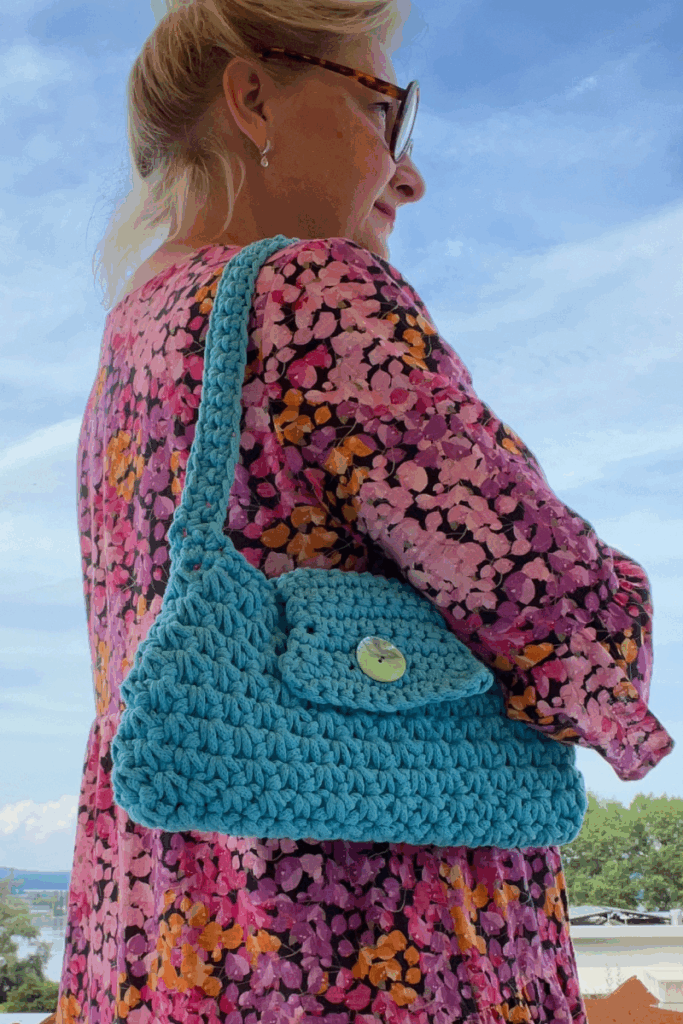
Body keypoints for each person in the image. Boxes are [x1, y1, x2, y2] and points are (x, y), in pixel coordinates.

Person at [55, 0, 675, 1021]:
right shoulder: (311, 293)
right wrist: (624, 610)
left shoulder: (133, 343)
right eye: (386, 110)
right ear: (254, 98)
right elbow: (565, 620)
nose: (409, 173)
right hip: (364, 944)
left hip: (164, 939)